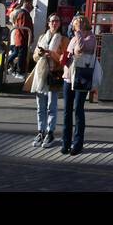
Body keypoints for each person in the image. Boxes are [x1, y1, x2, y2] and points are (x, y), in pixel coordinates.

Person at [61, 14, 97, 155]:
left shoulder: (91, 38)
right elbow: (71, 54)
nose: (79, 23)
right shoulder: (74, 37)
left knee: (78, 109)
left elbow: (80, 49)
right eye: (76, 22)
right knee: (66, 111)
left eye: (81, 22)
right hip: (69, 77)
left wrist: (79, 34)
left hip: (82, 77)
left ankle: (77, 143)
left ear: (86, 23)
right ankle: (65, 142)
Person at [30, 14, 66, 148]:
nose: (54, 23)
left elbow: (64, 60)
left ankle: (50, 132)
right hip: (40, 74)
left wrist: (52, 53)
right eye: (52, 21)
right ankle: (41, 131)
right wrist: (40, 54)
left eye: (57, 21)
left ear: (60, 24)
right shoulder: (41, 37)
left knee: (52, 106)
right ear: (48, 23)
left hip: (54, 74)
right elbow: (34, 57)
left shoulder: (63, 40)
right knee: (40, 106)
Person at [8, 0, 33, 77]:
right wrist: (28, 38)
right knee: (21, 55)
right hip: (22, 39)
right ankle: (19, 72)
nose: (31, 6)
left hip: (20, 38)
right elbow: (23, 27)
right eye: (31, 4)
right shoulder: (23, 13)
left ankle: (12, 67)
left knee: (18, 54)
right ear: (27, 3)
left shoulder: (23, 13)